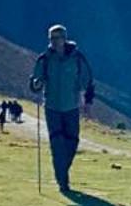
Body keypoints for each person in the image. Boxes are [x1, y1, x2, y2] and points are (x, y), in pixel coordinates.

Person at [28, 24, 95, 195]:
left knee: (72, 142)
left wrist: (87, 102)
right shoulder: (44, 59)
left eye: (57, 38)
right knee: (57, 144)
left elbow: (88, 80)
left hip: (72, 107)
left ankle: (62, 171)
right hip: (52, 107)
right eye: (51, 39)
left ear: (64, 38)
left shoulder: (77, 58)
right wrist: (36, 84)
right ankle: (62, 181)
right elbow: (35, 81)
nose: (54, 42)